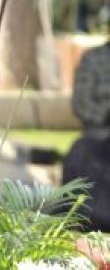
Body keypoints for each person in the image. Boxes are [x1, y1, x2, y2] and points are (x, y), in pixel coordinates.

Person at [62, 34, 110, 230]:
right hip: (99, 138)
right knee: (80, 155)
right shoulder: (94, 59)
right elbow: (81, 104)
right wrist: (107, 112)